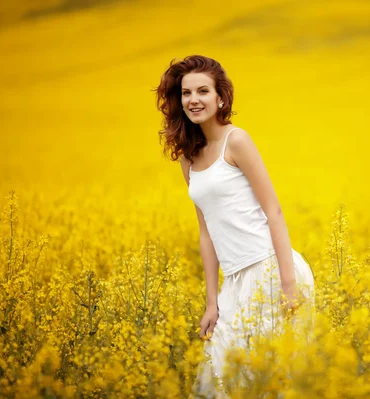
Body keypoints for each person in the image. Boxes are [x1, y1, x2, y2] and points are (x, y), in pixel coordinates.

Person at [154, 55, 315, 398]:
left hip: (271, 270)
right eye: (186, 93)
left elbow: (274, 211)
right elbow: (205, 230)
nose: (193, 99)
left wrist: (288, 285)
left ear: (220, 98)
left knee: (271, 380)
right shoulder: (188, 157)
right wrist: (212, 302)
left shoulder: (236, 140)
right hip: (235, 282)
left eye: (202, 91)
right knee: (223, 376)